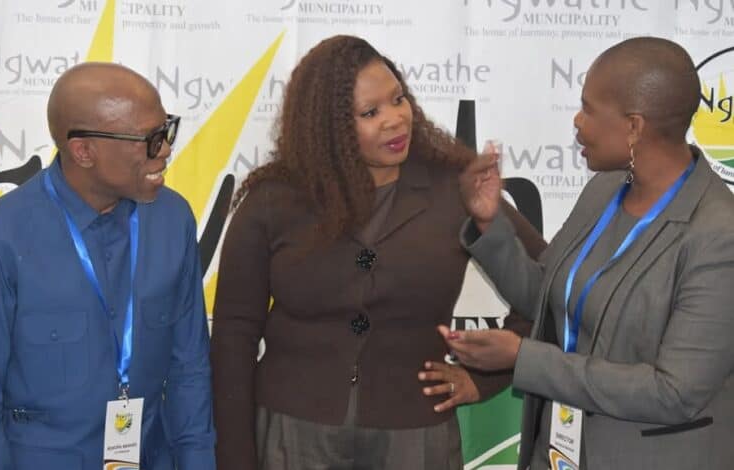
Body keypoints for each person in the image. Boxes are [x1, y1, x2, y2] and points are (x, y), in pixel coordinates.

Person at [210, 35, 545, 470]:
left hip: (415, 433)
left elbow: (548, 286)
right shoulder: (274, 199)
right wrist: (235, 456)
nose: (395, 120)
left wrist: (487, 377)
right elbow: (234, 333)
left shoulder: (454, 188)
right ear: (329, 128)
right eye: (370, 112)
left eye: (398, 99)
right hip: (293, 433)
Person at [444, 37, 734, 469]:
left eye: (588, 109)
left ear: (634, 127)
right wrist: (491, 224)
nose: (577, 122)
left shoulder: (719, 235)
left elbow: (674, 392)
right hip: (557, 454)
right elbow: (545, 299)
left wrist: (524, 358)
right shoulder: (605, 190)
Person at [0, 62, 215, 469]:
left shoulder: (172, 220)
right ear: (83, 151)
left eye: (166, 131)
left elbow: (190, 371)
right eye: (150, 140)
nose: (165, 150)